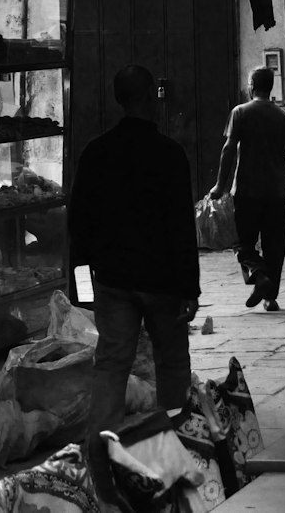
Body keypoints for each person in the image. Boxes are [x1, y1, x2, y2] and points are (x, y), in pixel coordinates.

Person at [68, 63, 199, 466]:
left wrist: (82, 287)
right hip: (161, 281)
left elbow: (80, 224)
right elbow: (181, 227)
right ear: (150, 98)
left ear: (118, 99)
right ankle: (178, 446)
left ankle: (101, 455)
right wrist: (189, 289)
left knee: (111, 364)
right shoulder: (170, 155)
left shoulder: (96, 153)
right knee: (172, 362)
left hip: (113, 280)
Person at [208, 66, 285, 311]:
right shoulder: (282, 116)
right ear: (270, 87)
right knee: (275, 246)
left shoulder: (240, 112)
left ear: (251, 86)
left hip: (246, 193)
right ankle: (270, 297)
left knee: (242, 243)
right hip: (276, 193)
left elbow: (228, 150)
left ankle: (259, 276)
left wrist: (220, 184)